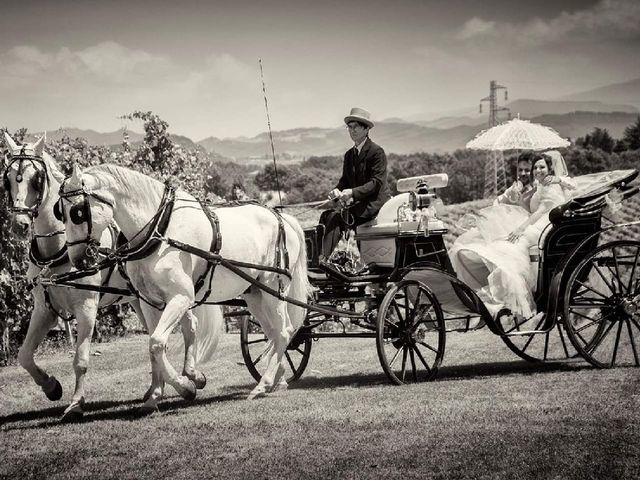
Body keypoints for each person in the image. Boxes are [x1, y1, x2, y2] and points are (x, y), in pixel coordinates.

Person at [450, 152, 572, 319]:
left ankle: (517, 292)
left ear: (549, 168)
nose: (534, 171)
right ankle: (501, 291)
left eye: (539, 167)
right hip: (532, 222)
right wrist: (515, 196)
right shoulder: (534, 185)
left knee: (511, 249)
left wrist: (521, 228)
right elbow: (505, 203)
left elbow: (545, 207)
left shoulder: (548, 184)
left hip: (542, 225)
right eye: (533, 168)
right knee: (499, 243)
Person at [319, 107, 391, 258]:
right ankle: (316, 258)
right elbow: (345, 181)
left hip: (375, 203)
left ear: (366, 129)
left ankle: (321, 261)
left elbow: (376, 183)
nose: (352, 131)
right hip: (359, 204)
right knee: (326, 216)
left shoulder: (377, 152)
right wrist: (337, 191)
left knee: (338, 217)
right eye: (349, 127)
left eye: (356, 127)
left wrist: (352, 192)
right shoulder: (349, 155)